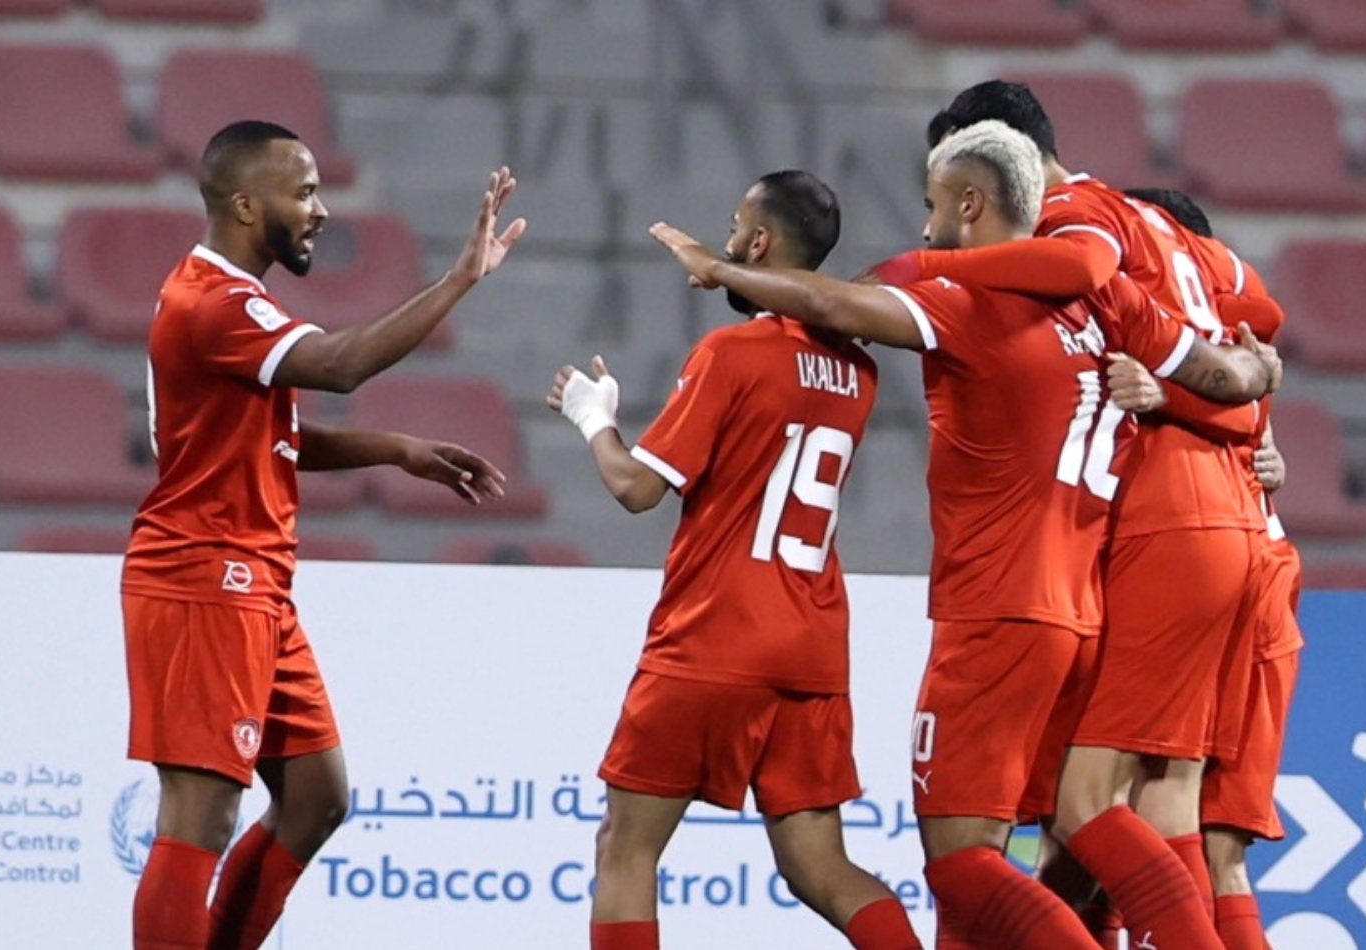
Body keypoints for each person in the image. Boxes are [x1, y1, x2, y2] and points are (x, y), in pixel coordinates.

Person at [650, 121, 1277, 950]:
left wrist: (720, 269)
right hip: (1082, 614)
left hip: (994, 612)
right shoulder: (1111, 299)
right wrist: (1263, 375)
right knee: (1081, 824)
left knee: (960, 860)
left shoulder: (972, 299)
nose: (923, 227)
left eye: (932, 207)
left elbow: (835, 303)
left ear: (972, 204)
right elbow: (1222, 378)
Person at [897, 83, 1289, 950]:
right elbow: (1257, 331)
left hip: (1157, 525)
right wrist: (1247, 411)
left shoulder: (1075, 218)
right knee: (1162, 805)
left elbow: (1081, 274)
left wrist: (923, 269)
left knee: (1088, 806)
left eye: (947, 195)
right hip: (1233, 524)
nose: (945, 221)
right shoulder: (1172, 232)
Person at [121, 119, 525, 950]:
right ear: (244, 203)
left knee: (316, 796)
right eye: (302, 192)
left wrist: (396, 450)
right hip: (205, 576)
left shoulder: (236, 301)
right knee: (200, 814)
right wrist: (458, 281)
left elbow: (266, 439)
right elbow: (342, 364)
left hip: (255, 583)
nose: (321, 210)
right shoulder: (214, 303)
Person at [549, 170, 924, 950]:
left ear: (757, 243)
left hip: (715, 635)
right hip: (812, 644)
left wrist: (594, 417)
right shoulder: (859, 370)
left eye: (732, 225)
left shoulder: (731, 353)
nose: (723, 241)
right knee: (819, 865)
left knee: (626, 847)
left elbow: (635, 490)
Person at [1110, 189, 1305, 950]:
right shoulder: (1244, 349)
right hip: (1262, 572)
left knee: (1144, 804)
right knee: (1214, 848)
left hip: (1214, 568)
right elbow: (1256, 412)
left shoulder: (1188, 354)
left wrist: (1161, 397)